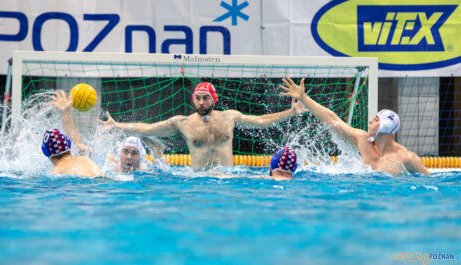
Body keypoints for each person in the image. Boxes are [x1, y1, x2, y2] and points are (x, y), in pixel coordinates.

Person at [99, 81, 305, 170]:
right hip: (197, 178)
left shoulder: (229, 117)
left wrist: (291, 112)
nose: (200, 102)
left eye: (205, 98)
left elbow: (261, 121)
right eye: (197, 98)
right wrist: (119, 125)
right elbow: (148, 128)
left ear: (213, 99)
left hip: (228, 177)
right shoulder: (183, 123)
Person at [279, 77, 430, 176]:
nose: (370, 121)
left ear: (386, 126)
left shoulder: (407, 158)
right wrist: (304, 98)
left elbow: (428, 184)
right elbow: (333, 120)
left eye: (376, 120)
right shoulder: (363, 140)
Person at [50, 90, 150, 174]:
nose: (129, 157)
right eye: (125, 151)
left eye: (134, 153)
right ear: (120, 153)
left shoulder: (145, 174)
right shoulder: (109, 161)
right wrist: (66, 112)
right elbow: (78, 145)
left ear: (141, 156)